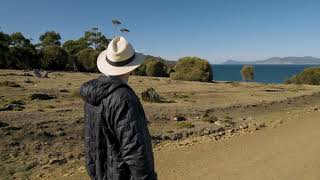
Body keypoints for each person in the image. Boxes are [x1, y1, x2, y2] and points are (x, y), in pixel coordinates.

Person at [80, 36, 157, 180]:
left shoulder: (92, 94)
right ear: (132, 68)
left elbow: (91, 138)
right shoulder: (124, 98)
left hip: (99, 172)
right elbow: (136, 151)